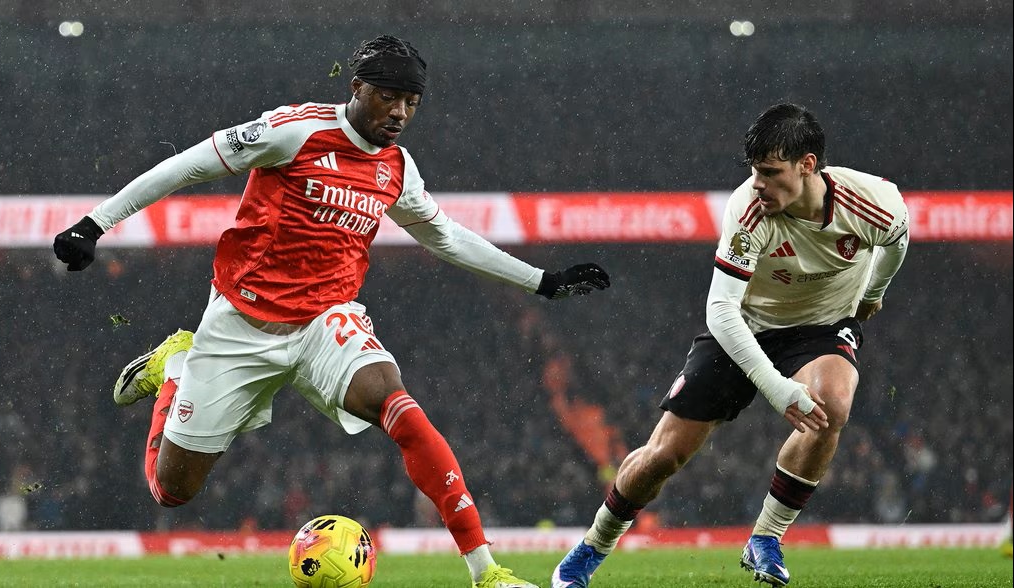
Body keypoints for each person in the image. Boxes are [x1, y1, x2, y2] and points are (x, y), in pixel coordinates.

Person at [53, 35, 610, 588]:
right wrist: (96, 223)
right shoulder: (294, 130)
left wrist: (542, 282)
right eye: (388, 97)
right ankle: (175, 365)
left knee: (401, 407)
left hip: (327, 320)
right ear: (357, 87)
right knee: (171, 491)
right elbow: (189, 166)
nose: (399, 113)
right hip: (240, 325)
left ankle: (487, 574)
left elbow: (442, 236)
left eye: (411, 103)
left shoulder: (396, 166)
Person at [552, 102, 909, 587]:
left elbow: (898, 238)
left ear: (808, 166)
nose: (758, 184)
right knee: (662, 458)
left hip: (821, 328)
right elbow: (720, 311)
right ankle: (593, 545)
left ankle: (766, 536)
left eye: (769, 172)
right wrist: (776, 388)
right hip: (743, 329)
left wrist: (873, 294)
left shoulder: (873, 201)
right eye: (754, 172)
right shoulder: (749, 210)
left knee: (833, 406)